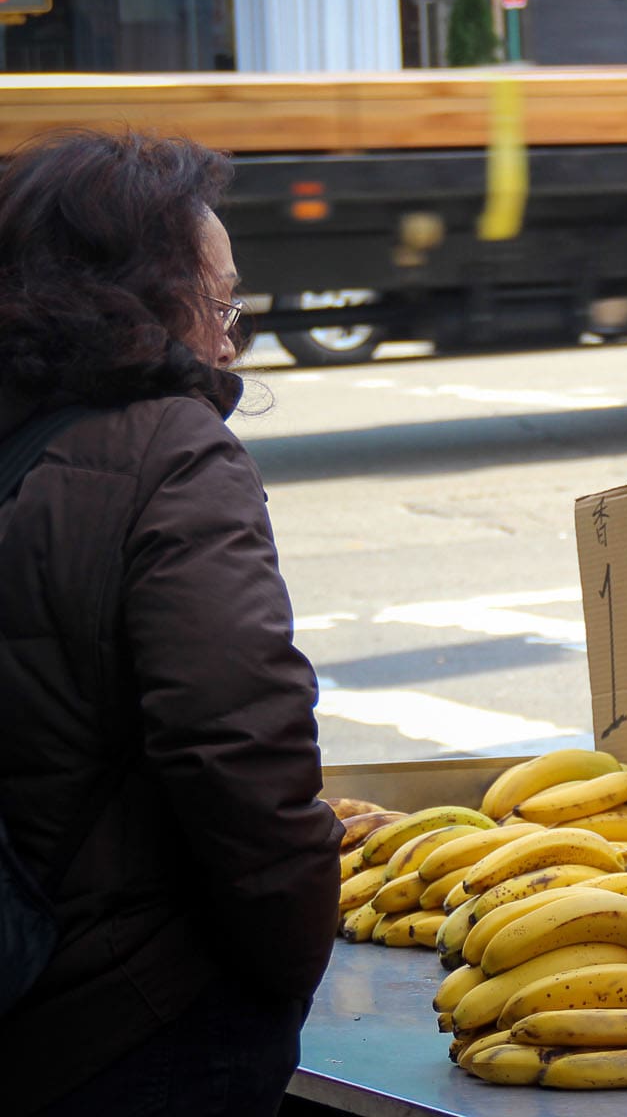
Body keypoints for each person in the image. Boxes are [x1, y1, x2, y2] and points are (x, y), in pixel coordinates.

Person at [0, 131, 342, 1114]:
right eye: (221, 302)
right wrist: (286, 969)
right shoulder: (170, 452)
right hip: (130, 1021)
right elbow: (239, 745)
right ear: (141, 298)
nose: (231, 339)